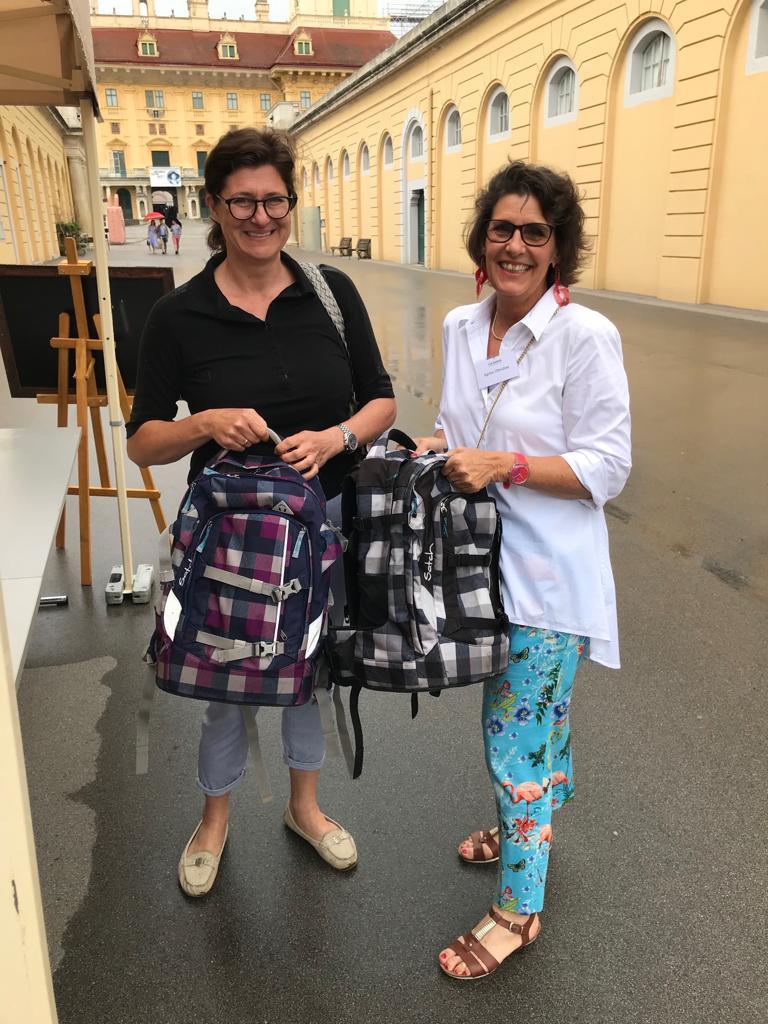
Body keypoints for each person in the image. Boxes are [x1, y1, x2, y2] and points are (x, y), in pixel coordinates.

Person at [126, 127, 396, 896]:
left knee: (313, 669)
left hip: (322, 523)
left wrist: (339, 437)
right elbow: (143, 441)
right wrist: (206, 423)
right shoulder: (179, 315)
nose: (260, 216)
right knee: (224, 675)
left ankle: (304, 808)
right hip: (229, 537)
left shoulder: (330, 295)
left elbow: (380, 399)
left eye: (274, 200)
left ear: (290, 202)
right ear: (214, 206)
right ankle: (213, 819)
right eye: (242, 201)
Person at [414, 161, 631, 979]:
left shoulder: (584, 336)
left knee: (516, 748)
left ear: (557, 248)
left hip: (548, 582)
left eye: (535, 232)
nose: (515, 245)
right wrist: (437, 445)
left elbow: (608, 466)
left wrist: (503, 465)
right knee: (541, 726)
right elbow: (466, 423)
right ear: (483, 239)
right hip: (480, 569)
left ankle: (518, 909)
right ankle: (524, 833)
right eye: (502, 228)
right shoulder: (461, 325)